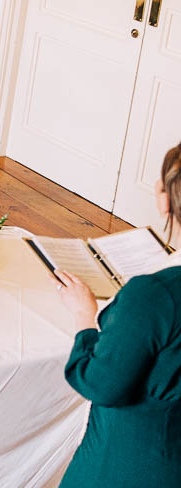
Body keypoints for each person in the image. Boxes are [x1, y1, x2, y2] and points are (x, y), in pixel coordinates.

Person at [55, 142, 181, 488]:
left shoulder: (154, 294)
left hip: (135, 467)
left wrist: (85, 317)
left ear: (165, 199)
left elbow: (101, 383)